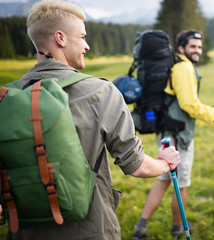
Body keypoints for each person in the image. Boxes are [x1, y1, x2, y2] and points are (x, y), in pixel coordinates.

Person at [7, 0, 180, 239]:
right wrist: (166, 163)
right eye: (82, 37)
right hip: (90, 228)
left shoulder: (7, 97)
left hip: (24, 231)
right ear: (61, 38)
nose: (87, 45)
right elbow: (136, 165)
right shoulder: (100, 92)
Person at [133, 30, 214, 239]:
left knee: (164, 179)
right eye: (192, 46)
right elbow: (188, 104)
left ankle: (141, 227)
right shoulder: (183, 67)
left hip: (168, 132)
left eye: (199, 47)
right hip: (178, 135)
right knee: (180, 184)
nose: (197, 51)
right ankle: (177, 228)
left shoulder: (177, 65)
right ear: (181, 47)